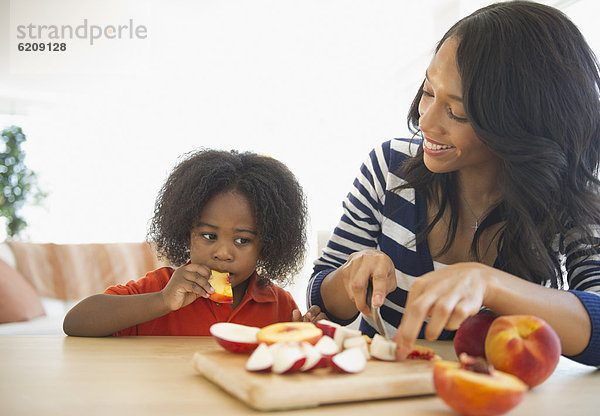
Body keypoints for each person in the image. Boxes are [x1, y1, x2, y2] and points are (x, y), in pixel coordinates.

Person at [307, 0, 600, 366]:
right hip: (382, 392)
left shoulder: (569, 199)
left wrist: (490, 283)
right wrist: (352, 273)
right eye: (429, 92)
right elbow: (319, 303)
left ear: (520, 124)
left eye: (456, 111)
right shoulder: (390, 168)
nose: (425, 121)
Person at [64, 149, 324, 336]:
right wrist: (162, 301)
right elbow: (75, 322)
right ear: (187, 233)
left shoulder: (278, 305)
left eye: (242, 240)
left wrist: (302, 336)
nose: (223, 253)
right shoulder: (163, 287)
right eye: (209, 236)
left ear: (268, 244)